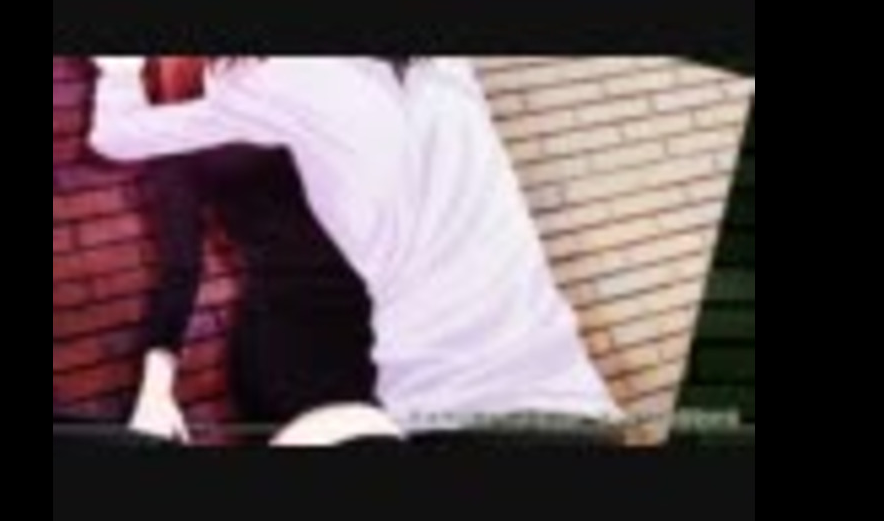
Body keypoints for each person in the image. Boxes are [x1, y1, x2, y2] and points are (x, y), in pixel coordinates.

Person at [89, 56, 624, 445]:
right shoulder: (206, 109)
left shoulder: (406, 77)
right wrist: (156, 387)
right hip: (301, 352)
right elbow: (180, 267)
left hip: (407, 356)